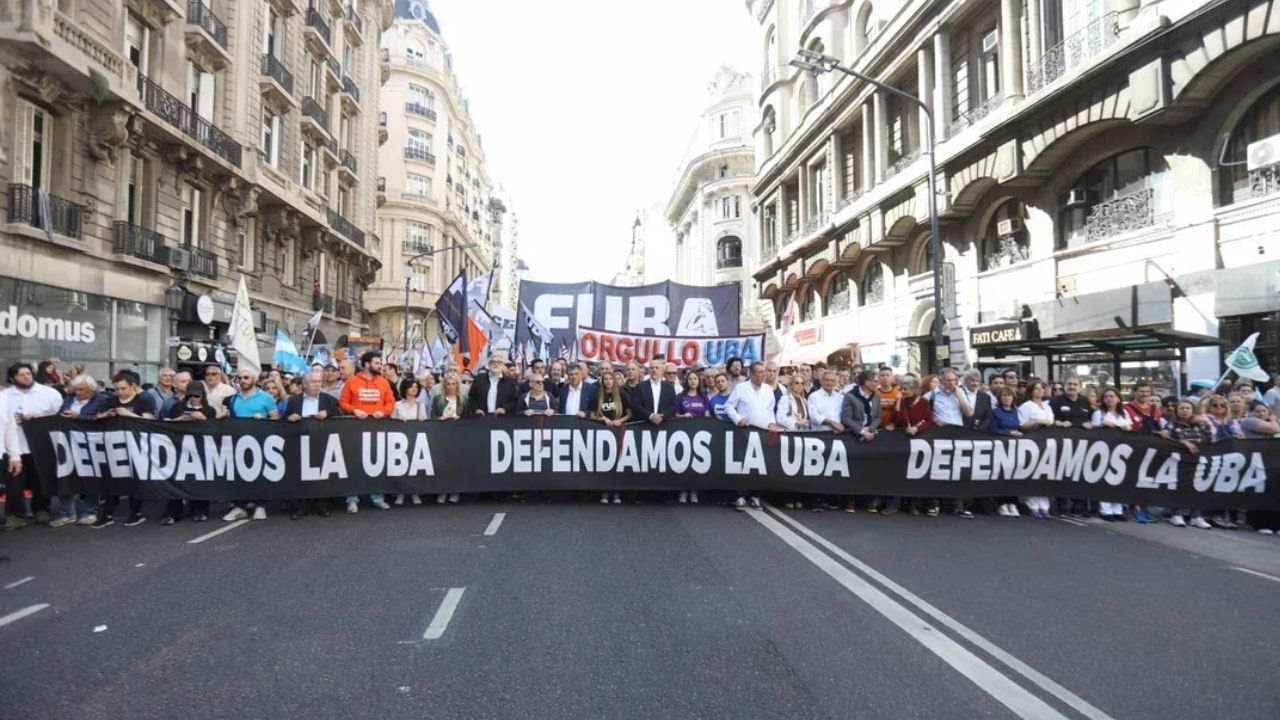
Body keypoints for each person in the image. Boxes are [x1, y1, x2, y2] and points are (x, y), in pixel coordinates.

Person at [1, 362, 66, 527]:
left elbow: (60, 414)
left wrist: (39, 415)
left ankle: (41, 510)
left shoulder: (49, 393)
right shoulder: (5, 396)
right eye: (21, 375)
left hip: (41, 443)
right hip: (14, 445)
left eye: (28, 374)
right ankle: (15, 515)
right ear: (12, 378)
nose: (26, 377)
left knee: (40, 479)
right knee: (14, 482)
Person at [92, 370, 158, 528]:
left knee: (135, 479)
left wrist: (128, 414)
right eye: (117, 389)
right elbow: (96, 417)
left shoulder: (143, 400)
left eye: (123, 388)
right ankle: (107, 513)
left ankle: (136, 512)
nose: (120, 392)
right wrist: (106, 415)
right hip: (114, 445)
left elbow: (150, 421)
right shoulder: (110, 400)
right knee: (111, 479)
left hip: (136, 445)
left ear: (133, 386)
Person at [47, 374, 110, 528]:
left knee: (90, 477)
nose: (78, 393)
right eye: (76, 389)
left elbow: (103, 421)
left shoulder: (102, 400)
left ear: (91, 390)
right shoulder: (69, 398)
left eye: (82, 390)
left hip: (90, 443)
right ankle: (67, 513)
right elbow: (59, 414)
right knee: (65, 476)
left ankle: (90, 512)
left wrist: (79, 416)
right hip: (67, 442)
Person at [219, 369, 280, 523]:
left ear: (254, 379)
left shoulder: (266, 398)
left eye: (246, 377)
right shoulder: (233, 399)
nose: (243, 380)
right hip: (238, 442)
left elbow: (276, 419)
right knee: (239, 474)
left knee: (260, 474)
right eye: (240, 378)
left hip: (260, 441)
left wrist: (264, 419)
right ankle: (240, 507)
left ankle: (260, 505)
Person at [339, 352, 396, 514]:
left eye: (380, 363)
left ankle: (377, 497)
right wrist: (354, 410)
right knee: (354, 463)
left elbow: (390, 402)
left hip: (378, 428)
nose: (380, 366)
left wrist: (383, 412)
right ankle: (352, 499)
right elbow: (342, 402)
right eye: (377, 363)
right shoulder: (352, 381)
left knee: (377, 463)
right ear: (366, 364)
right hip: (355, 429)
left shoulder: (383, 382)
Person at [283, 370, 341, 519]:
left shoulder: (329, 400)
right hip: (299, 443)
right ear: (304, 384)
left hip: (322, 442)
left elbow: (340, 417)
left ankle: (322, 505)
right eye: (313, 382)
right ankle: (300, 507)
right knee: (300, 475)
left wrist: (328, 414)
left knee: (321, 475)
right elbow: (284, 420)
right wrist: (290, 418)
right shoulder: (293, 401)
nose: (317, 385)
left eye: (319, 382)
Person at [722, 362, 777, 509]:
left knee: (759, 466)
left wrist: (772, 423)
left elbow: (770, 410)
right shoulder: (741, 388)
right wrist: (738, 419)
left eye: (764, 372)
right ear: (751, 374)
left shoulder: (768, 390)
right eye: (759, 372)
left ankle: (755, 496)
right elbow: (728, 406)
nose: (763, 375)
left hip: (763, 431)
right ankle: (740, 496)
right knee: (743, 464)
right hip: (745, 431)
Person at [1162, 399, 1212, 529]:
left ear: (1193, 410)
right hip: (1179, 460)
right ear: (1177, 411)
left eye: (1188, 408)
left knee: (1197, 487)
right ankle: (1176, 513)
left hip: (1198, 459)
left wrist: (1205, 422)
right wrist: (1184, 443)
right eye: (1182, 408)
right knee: (1180, 486)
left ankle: (1196, 516)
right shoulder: (1172, 424)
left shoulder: (1201, 423)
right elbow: (1166, 438)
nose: (1185, 411)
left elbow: (1210, 437)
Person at [1122, 382, 1163, 523]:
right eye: (1141, 391)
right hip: (1134, 448)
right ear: (1135, 392)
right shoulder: (1127, 408)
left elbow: (1158, 427)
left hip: (1151, 449)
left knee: (1147, 479)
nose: (1144, 394)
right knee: (1135, 478)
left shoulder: (1155, 409)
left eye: (1147, 392)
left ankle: (1145, 507)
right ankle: (1136, 508)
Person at [1091, 387, 1133, 521]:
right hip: (1105, 449)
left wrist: (1122, 427)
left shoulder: (1124, 413)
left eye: (1112, 396)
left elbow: (1130, 427)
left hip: (1121, 451)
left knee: (1119, 480)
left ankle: (1117, 509)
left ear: (1118, 398)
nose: (1109, 399)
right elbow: (1094, 429)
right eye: (1106, 397)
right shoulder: (1099, 413)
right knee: (1105, 479)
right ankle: (1105, 509)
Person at [1017, 381, 1056, 519]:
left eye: (1041, 389)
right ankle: (1032, 504)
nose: (1039, 391)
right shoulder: (1026, 406)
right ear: (1031, 391)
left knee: (1045, 473)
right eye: (1036, 389)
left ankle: (1044, 505)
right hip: (1032, 441)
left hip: (1047, 442)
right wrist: (1037, 422)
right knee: (1033, 471)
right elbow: (1021, 425)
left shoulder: (1047, 406)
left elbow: (1051, 421)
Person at [636, 358, 678, 427]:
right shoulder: (641, 386)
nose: (654, 370)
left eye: (657, 368)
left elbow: (673, 406)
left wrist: (663, 416)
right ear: (648, 370)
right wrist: (650, 416)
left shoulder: (669, 387)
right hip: (645, 425)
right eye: (652, 368)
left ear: (662, 371)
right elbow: (637, 405)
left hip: (664, 425)